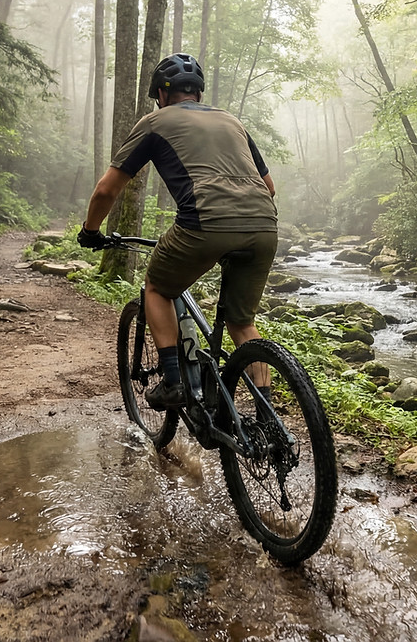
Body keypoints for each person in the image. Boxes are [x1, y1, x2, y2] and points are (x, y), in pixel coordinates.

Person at [78, 52, 277, 410]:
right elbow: (270, 187)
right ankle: (266, 415)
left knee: (157, 288)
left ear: (162, 94)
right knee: (243, 322)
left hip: (204, 224)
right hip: (264, 225)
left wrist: (90, 231)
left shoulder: (156, 121)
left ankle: (173, 383)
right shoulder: (233, 122)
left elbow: (107, 189)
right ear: (198, 93)